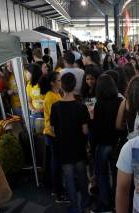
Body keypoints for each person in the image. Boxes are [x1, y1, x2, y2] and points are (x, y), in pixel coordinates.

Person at [50, 73, 90, 212]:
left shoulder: (55, 107)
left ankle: (75, 206)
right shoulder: (81, 107)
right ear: (75, 86)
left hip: (63, 147)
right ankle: (85, 203)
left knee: (69, 179)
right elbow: (85, 130)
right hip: (79, 147)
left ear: (62, 86)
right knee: (82, 176)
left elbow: (52, 129)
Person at [91, 74, 123, 212]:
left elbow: (96, 127)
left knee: (102, 174)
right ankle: (117, 203)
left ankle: (105, 203)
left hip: (103, 143)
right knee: (116, 175)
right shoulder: (120, 100)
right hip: (117, 143)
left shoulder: (99, 103)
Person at [39, 72, 68, 203]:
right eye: (59, 80)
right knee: (56, 164)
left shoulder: (55, 94)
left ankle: (56, 190)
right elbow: (53, 121)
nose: (61, 81)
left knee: (55, 164)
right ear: (53, 83)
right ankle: (58, 192)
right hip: (53, 134)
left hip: (53, 134)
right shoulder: (51, 97)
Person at [26, 63, 44, 132]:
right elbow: (29, 101)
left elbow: (49, 100)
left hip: (45, 113)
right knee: (35, 133)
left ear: (33, 73)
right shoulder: (29, 85)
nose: (26, 74)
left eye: (27, 72)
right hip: (34, 114)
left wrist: (40, 110)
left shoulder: (43, 83)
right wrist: (33, 109)